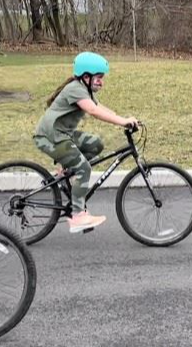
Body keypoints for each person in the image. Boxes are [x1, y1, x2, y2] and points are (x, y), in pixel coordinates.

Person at [33, 52, 139, 233]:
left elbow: (99, 107)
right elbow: (93, 111)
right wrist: (122, 122)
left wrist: (124, 118)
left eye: (102, 78)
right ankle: (77, 216)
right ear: (86, 76)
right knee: (84, 168)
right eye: (98, 78)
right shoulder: (75, 89)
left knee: (95, 144)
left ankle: (66, 173)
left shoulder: (84, 89)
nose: (101, 82)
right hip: (50, 137)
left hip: (63, 135)